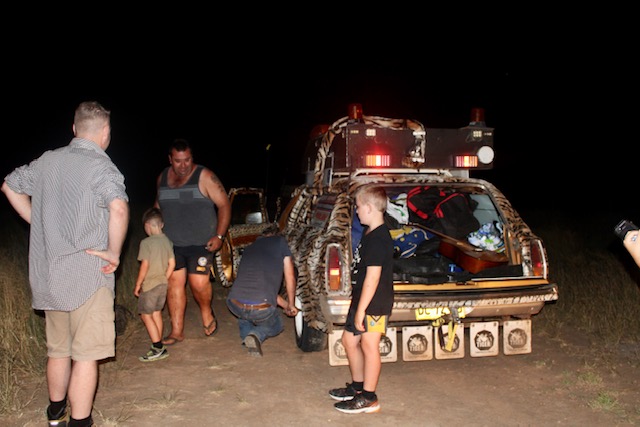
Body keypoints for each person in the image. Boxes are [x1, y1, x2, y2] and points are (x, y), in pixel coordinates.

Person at [2, 101, 129, 427]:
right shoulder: (103, 168)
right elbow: (118, 208)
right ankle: (80, 421)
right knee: (85, 356)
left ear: (74, 129)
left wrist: (38, 222)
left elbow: (10, 185)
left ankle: (55, 411)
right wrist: (114, 252)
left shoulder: (47, 161)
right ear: (105, 132)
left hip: (50, 275)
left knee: (58, 349)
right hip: (89, 275)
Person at [155, 138, 231, 345]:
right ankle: (176, 331)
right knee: (174, 284)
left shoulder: (204, 176)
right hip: (172, 243)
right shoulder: (162, 177)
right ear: (170, 159)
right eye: (178, 161)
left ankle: (207, 311)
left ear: (192, 158)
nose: (183, 165)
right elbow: (158, 207)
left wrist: (219, 236)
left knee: (198, 283)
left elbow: (224, 205)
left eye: (187, 160)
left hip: (201, 242)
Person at [328, 185, 394, 414]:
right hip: (362, 301)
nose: (356, 212)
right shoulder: (370, 233)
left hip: (375, 303)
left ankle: (369, 397)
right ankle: (357, 388)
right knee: (349, 341)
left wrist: (361, 310)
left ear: (369, 207)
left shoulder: (378, 238)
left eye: (358, 207)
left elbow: (373, 278)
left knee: (369, 345)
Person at [226, 224, 298, 357]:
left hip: (234, 303)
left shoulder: (248, 249)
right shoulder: (280, 242)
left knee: (245, 314)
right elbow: (290, 277)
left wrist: (286, 306)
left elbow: (264, 290)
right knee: (277, 324)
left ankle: (246, 337)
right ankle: (256, 335)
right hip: (260, 307)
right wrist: (292, 304)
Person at [134, 207, 175, 362]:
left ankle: (157, 347)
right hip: (162, 284)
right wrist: (164, 278)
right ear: (161, 225)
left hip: (150, 284)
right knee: (156, 313)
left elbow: (144, 266)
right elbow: (172, 263)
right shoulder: (167, 241)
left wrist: (138, 284)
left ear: (148, 226)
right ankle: (158, 344)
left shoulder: (146, 243)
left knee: (145, 315)